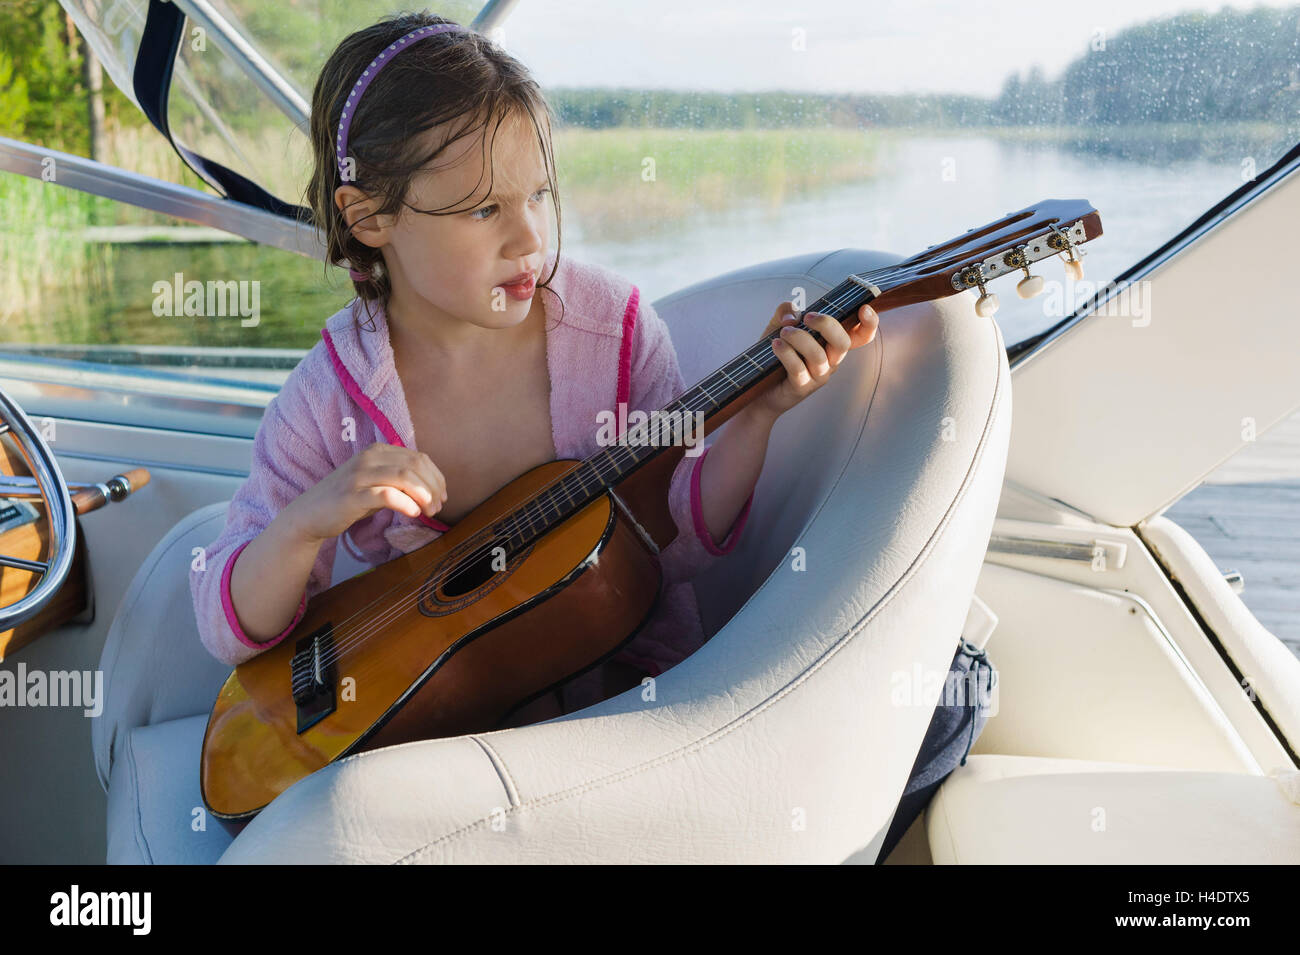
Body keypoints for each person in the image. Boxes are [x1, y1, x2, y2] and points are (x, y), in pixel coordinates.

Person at [188, 11, 878, 723]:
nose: (529, 239)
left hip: (618, 702)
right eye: (485, 209)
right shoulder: (329, 393)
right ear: (369, 218)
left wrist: (757, 414)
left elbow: (677, 544)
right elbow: (224, 621)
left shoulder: (615, 332)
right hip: (436, 719)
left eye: (539, 196)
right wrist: (303, 523)